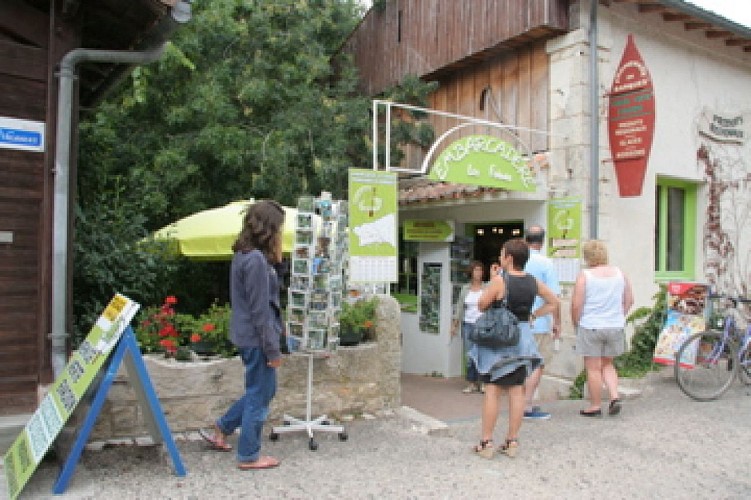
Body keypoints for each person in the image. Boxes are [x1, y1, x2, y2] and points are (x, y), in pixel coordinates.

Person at [199, 200, 285, 470]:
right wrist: (273, 350)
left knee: (262, 390)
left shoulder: (244, 255)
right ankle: (249, 455)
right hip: (257, 338)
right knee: (260, 396)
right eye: (279, 227)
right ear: (270, 228)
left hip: (246, 335)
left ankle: (223, 426)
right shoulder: (256, 261)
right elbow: (261, 311)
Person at [471, 239, 559, 459]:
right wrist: (533, 316)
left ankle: (486, 442)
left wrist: (492, 281)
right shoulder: (533, 282)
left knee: (492, 389)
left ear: (509, 258)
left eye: (502, 253)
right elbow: (553, 301)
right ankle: (511, 441)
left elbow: (482, 304)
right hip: (522, 337)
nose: (500, 256)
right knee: (517, 389)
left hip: (501, 339)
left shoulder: (501, 281)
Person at [571, 240, 634, 417]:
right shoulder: (620, 273)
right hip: (614, 326)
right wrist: (619, 315)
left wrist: (577, 322)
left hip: (591, 325)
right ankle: (614, 396)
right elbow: (630, 299)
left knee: (593, 368)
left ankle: (595, 405)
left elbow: (577, 304)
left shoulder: (585, 276)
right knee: (607, 363)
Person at [521, 225, 561, 420]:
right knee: (537, 364)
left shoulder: (516, 262)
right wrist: (557, 322)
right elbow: (554, 298)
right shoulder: (546, 263)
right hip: (539, 323)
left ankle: (518, 403)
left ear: (525, 239)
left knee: (522, 364)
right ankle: (526, 406)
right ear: (542, 241)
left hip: (518, 323)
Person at [451, 260, 488, 394]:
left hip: (482, 324)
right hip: (468, 324)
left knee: (482, 353)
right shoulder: (465, 289)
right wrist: (454, 325)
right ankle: (472, 382)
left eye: (480, 270)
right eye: (476, 270)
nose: (478, 273)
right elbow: (460, 308)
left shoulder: (487, 287)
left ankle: (483, 382)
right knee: (469, 354)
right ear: (471, 273)